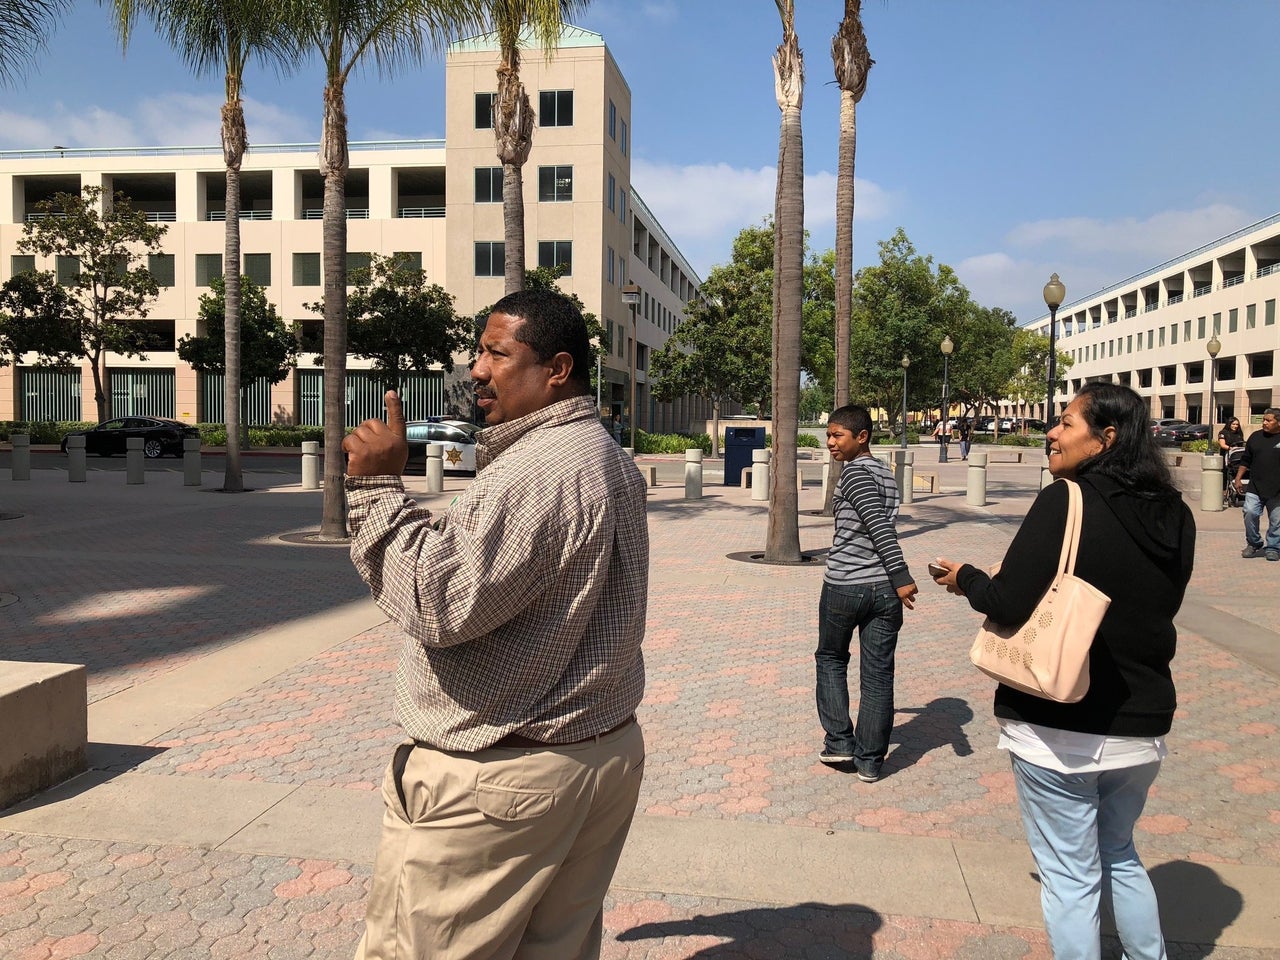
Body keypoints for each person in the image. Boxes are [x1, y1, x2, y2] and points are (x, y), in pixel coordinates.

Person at [342, 289, 649, 960]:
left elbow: (434, 602)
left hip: (504, 781)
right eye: (478, 351)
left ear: (557, 369)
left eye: (496, 353)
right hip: (596, 757)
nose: (476, 369)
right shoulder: (604, 457)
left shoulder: (542, 470)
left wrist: (373, 489)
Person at [930, 382, 1195, 960]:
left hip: (1059, 723)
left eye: (1067, 423)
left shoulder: (1067, 498)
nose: (1052, 431)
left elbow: (1007, 602)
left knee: (1070, 877)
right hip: (1142, 725)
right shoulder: (1174, 512)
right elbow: (1159, 602)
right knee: (1119, 854)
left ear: (1107, 438)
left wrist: (966, 578)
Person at [816, 404, 918, 783]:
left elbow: (878, 527)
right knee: (877, 675)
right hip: (884, 594)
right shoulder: (885, 475)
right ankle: (870, 761)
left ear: (862, 437)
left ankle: (841, 743)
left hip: (846, 585)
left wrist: (902, 574)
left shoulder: (856, 474)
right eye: (828, 434)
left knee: (830, 658)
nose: (830, 442)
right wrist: (894, 580)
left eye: (837, 435)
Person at [1235, 408, 1280, 561]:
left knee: (1276, 521)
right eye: (1264, 420)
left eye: (1269, 420)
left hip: (1277, 490)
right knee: (1250, 512)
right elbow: (1246, 460)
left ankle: (1273, 547)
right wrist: (1238, 478)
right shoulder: (1255, 437)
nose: (1265, 423)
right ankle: (1254, 543)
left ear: (1278, 423)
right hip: (1255, 486)